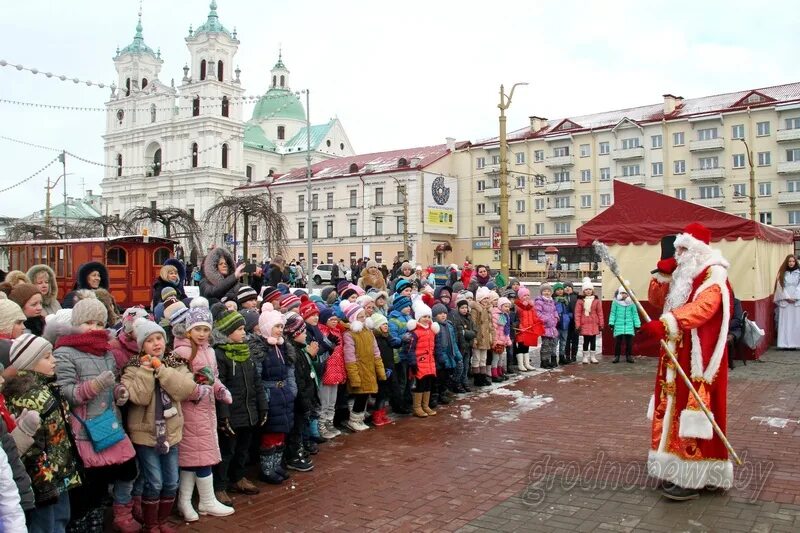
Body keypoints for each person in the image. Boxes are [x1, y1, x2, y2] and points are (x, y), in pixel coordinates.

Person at [639, 222, 734, 500]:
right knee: (670, 407)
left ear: (697, 249)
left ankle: (691, 476)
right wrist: (662, 275)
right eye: (676, 249)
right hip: (673, 351)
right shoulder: (682, 272)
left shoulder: (713, 273)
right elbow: (657, 301)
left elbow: (705, 307)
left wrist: (670, 322)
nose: (678, 253)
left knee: (692, 410)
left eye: (683, 248)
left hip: (697, 358)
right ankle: (672, 468)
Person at [53, 298, 138, 532]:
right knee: (90, 486)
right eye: (88, 322)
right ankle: (83, 523)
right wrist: (97, 385)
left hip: (109, 425)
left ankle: (102, 518)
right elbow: (67, 393)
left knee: (124, 472)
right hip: (85, 431)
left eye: (99, 323)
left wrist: (120, 392)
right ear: (76, 322)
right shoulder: (64, 352)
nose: (94, 328)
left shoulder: (106, 352)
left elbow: (114, 384)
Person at [121, 318, 199, 533]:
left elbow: (185, 389)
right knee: (154, 482)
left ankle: (163, 520)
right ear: (141, 345)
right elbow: (140, 397)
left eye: (159, 338)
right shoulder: (132, 367)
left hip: (171, 432)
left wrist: (162, 370)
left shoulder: (175, 362)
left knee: (171, 482)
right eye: (149, 340)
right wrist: (147, 371)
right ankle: (151, 523)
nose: (156, 344)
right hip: (146, 434)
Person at [172, 301, 234, 521]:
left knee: (195, 458)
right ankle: (204, 501)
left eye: (206, 329)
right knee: (199, 457)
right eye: (197, 329)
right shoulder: (182, 352)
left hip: (206, 410)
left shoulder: (209, 350)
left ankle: (187, 502)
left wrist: (220, 390)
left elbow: (212, 376)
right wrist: (198, 392)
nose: (202, 333)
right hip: (191, 411)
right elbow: (177, 383)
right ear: (189, 329)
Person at [211, 305, 267, 503]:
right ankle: (220, 485)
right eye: (240, 330)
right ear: (227, 332)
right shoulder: (220, 355)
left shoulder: (246, 352)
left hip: (248, 410)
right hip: (232, 412)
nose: (244, 333)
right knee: (227, 450)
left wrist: (262, 406)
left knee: (243, 447)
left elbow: (256, 382)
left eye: (244, 329)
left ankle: (238, 477)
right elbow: (221, 387)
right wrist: (224, 415)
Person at [248, 303, 293, 485]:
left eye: (281, 327)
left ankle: (276, 465)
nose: (280, 330)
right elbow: (257, 376)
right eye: (276, 327)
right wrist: (263, 396)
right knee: (271, 433)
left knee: (281, 432)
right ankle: (267, 468)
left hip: (282, 394)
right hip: (270, 394)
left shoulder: (281, 348)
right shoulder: (262, 349)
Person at [341, 304, 386, 431]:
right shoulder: (349, 334)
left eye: (364, 316)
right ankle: (354, 420)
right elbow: (350, 357)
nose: (363, 318)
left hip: (369, 368)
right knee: (360, 396)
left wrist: (380, 369)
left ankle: (359, 418)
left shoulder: (368, 332)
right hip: (359, 369)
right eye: (360, 317)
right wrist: (354, 376)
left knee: (366, 394)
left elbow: (376, 352)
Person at [406, 300, 438, 418]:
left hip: (430, 362)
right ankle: (417, 407)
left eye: (429, 316)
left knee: (428, 384)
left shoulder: (431, 331)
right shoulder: (415, 333)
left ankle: (425, 405)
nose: (427, 319)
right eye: (424, 316)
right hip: (419, 363)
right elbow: (410, 349)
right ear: (418, 318)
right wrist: (413, 363)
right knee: (420, 385)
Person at [469, 287, 495, 387]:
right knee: (476, 358)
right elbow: (474, 324)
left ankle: (483, 377)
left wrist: (492, 336)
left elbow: (490, 325)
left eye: (487, 298)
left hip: (486, 339)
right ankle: (477, 378)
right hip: (479, 338)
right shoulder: (476, 310)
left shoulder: (488, 310)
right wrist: (475, 338)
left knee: (483, 358)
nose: (486, 301)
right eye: (484, 299)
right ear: (479, 299)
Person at [608, 285, 640, 363]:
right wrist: (611, 322)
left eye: (625, 293)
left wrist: (637, 325)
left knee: (629, 343)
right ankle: (616, 356)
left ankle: (629, 356)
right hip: (618, 325)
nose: (623, 295)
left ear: (628, 294)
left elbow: (635, 314)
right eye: (622, 293)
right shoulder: (615, 302)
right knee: (618, 343)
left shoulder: (632, 303)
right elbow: (613, 313)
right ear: (619, 294)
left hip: (629, 326)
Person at [774, 254, 800, 349]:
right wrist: (786, 297)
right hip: (785, 300)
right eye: (789, 261)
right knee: (785, 322)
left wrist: (796, 297)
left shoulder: (799, 272)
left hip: (796, 300)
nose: (791, 263)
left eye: (793, 261)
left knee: (796, 322)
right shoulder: (782, 273)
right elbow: (779, 286)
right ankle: (784, 343)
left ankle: (796, 343)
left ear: (795, 262)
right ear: (786, 262)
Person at [575, 277, 603, 364]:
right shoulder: (580, 301)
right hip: (585, 323)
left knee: (593, 341)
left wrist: (601, 324)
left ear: (592, 290)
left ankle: (593, 356)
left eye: (589, 289)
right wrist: (578, 324)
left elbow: (600, 312)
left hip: (594, 323)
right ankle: (585, 357)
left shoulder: (596, 300)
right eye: (586, 289)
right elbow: (577, 313)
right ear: (583, 291)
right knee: (586, 341)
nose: (588, 291)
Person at [534, 284, 559, 369]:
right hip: (545, 327)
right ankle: (544, 361)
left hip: (552, 327)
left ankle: (548, 360)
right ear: (541, 292)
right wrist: (546, 319)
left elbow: (555, 311)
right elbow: (537, 313)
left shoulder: (551, 301)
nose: (547, 293)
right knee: (545, 345)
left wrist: (556, 318)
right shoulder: (539, 301)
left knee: (552, 344)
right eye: (545, 291)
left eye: (548, 291)